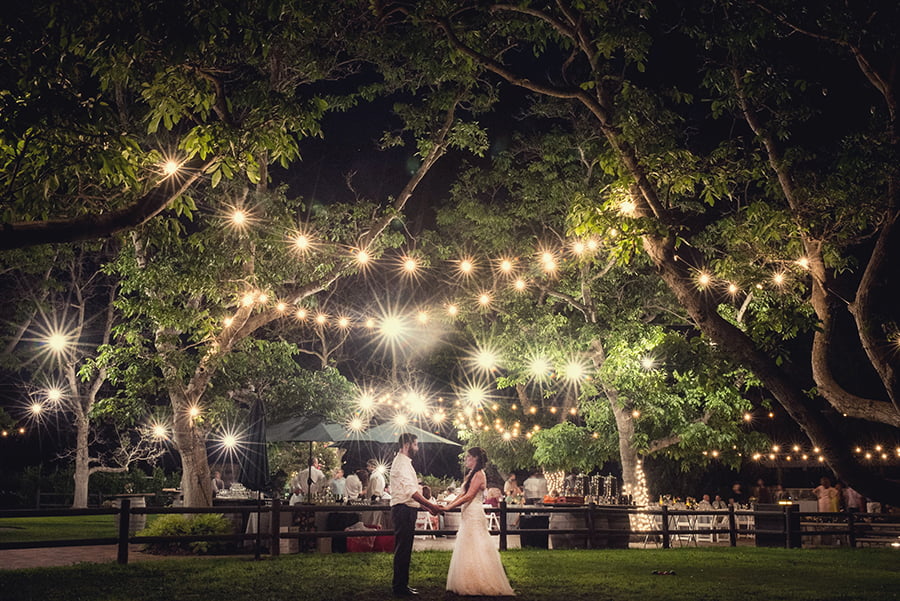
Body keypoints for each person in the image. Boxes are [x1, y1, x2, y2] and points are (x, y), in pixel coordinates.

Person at [442, 447, 515, 596]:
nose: (466, 459)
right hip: (467, 513)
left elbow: (469, 496)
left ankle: (480, 580)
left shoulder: (480, 475)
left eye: (469, 457)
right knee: (466, 544)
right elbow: (462, 494)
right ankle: (467, 578)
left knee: (476, 544)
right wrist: (446, 505)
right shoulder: (471, 474)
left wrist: (450, 507)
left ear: (475, 458)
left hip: (474, 513)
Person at [389, 433, 443, 597]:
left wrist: (427, 508)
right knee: (403, 549)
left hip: (406, 509)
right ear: (407, 445)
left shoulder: (405, 463)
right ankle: (399, 587)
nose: (417, 448)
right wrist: (431, 505)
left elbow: (412, 493)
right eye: (416, 445)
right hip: (403, 510)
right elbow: (411, 492)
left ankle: (402, 585)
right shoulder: (402, 464)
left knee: (405, 549)